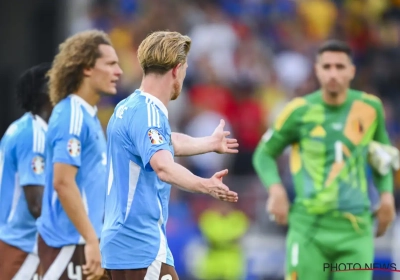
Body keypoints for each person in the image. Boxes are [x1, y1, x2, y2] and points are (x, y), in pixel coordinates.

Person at [252, 40, 396, 280]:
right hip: (309, 228)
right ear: (317, 70)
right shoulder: (299, 111)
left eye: (340, 67)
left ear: (352, 71)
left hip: (355, 230)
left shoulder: (371, 109)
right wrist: (276, 190)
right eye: (326, 66)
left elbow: (381, 157)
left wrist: (387, 195)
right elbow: (264, 153)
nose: (333, 73)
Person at [100, 31, 239, 280]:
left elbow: (166, 141)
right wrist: (204, 184)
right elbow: (163, 166)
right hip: (140, 242)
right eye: (185, 68)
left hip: (124, 242)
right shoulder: (149, 112)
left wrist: (208, 142)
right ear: (176, 69)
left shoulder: (129, 106)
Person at [36, 30, 122, 280]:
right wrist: (90, 239)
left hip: (85, 242)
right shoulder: (71, 115)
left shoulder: (88, 116)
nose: (119, 72)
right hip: (68, 244)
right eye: (110, 64)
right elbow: (63, 182)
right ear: (86, 68)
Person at [0, 63, 52, 279]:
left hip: (16, 239)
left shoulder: (25, 127)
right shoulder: (34, 134)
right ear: (46, 92)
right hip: (21, 243)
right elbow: (36, 204)